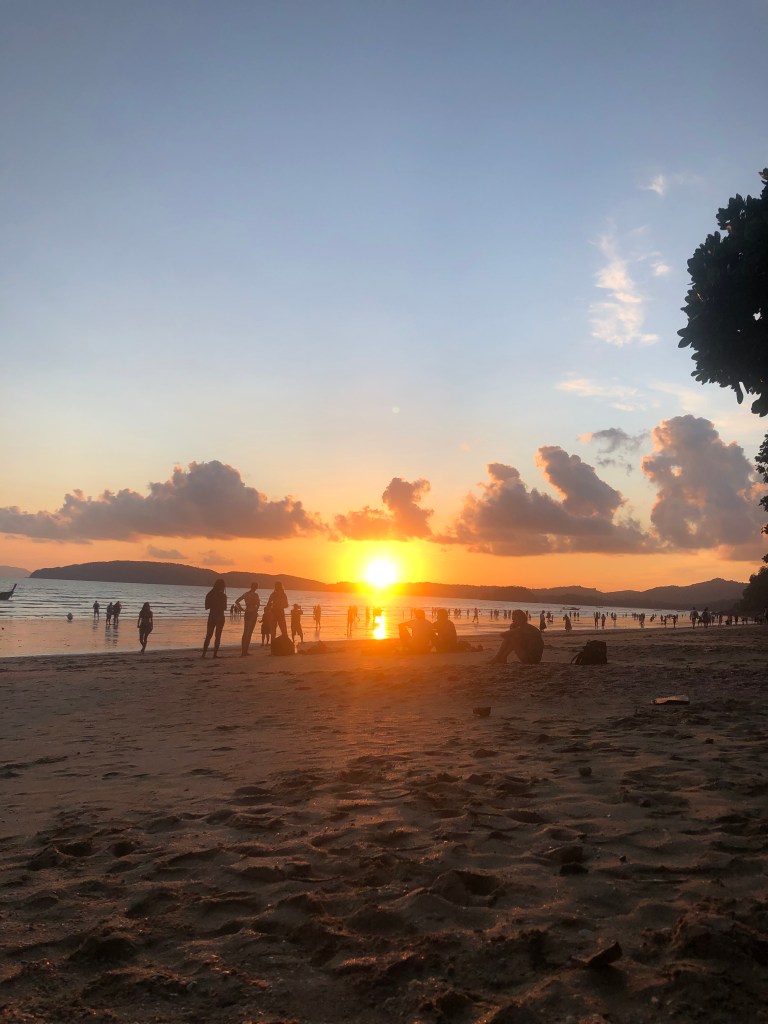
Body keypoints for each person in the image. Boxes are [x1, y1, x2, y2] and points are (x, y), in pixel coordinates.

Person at [202, 579, 228, 658]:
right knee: (218, 636)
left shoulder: (210, 594)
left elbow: (206, 607)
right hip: (220, 616)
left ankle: (203, 654)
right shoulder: (223, 596)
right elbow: (225, 608)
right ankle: (215, 654)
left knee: (208, 635)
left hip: (212, 615)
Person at [235, 582, 260, 657]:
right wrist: (256, 610)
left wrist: (241, 608)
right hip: (252, 613)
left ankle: (243, 651)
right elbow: (258, 604)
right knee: (249, 633)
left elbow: (237, 601)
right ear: (256, 587)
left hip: (247, 612)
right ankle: (245, 651)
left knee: (245, 632)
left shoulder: (246, 594)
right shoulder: (255, 595)